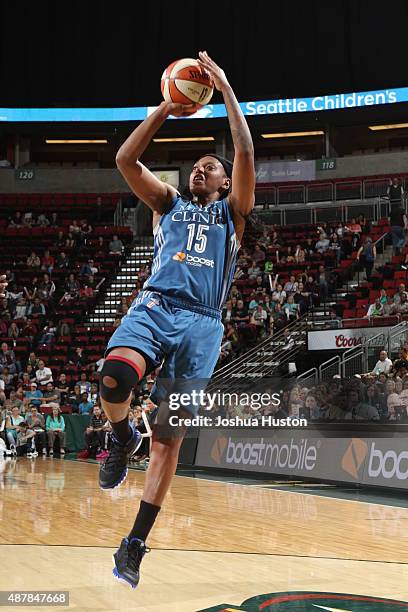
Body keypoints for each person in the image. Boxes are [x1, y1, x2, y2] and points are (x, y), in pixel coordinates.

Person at [97, 51, 255, 589]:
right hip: (156, 305)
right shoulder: (168, 204)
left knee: (169, 436)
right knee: (114, 379)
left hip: (203, 326)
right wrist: (167, 106)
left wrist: (226, 89)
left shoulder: (231, 213)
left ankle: (134, 544)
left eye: (208, 167)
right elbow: (125, 159)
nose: (199, 169)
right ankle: (121, 437)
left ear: (222, 180)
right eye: (195, 166)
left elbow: (244, 150)